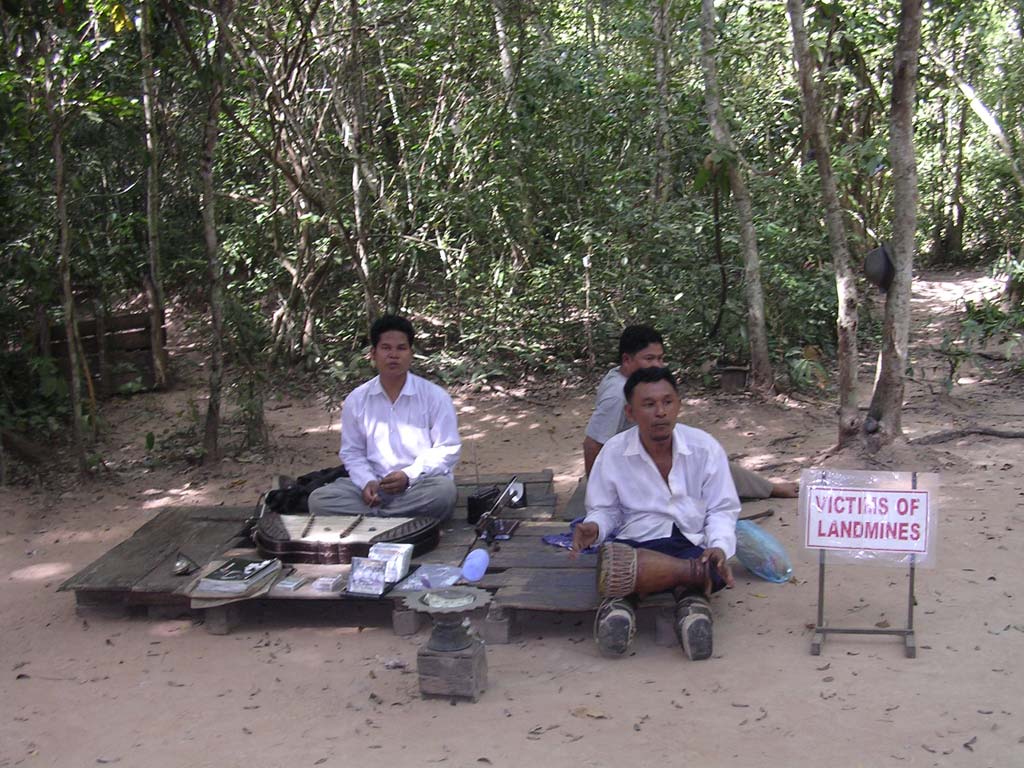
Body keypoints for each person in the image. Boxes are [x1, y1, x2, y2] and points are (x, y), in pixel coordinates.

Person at [572, 367, 739, 659]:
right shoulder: (613, 452)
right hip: (637, 544)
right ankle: (691, 598)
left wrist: (718, 546)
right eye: (648, 404)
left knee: (711, 563)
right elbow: (605, 510)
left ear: (679, 405)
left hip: (691, 541)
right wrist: (595, 527)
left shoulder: (705, 448)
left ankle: (624, 604)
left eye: (667, 402)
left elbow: (722, 509)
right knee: (617, 564)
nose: (660, 412)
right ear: (630, 413)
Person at [583, 324, 798, 499]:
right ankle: (771, 489)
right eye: (649, 359)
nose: (658, 365)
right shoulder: (617, 395)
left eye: (660, 358)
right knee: (702, 468)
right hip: (633, 466)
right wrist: (597, 493)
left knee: (703, 456)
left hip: (646, 453)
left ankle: (767, 488)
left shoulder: (621, 376)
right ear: (627, 360)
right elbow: (592, 444)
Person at [308, 315, 461, 521]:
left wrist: (409, 475)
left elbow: (447, 449)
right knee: (319, 500)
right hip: (376, 487)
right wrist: (366, 482)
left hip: (419, 485)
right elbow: (352, 452)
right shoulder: (357, 399)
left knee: (443, 493)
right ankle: (398, 519)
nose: (393, 355)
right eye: (386, 348)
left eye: (401, 348)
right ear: (373, 353)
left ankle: (376, 519)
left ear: (411, 354)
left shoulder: (435, 397)